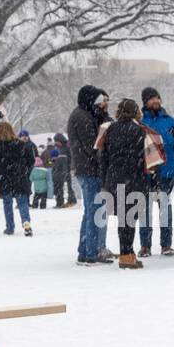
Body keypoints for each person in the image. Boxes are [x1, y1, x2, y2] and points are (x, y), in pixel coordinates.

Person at [98, 98, 149, 269]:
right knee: (130, 219)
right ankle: (127, 255)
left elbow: (103, 157)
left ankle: (127, 253)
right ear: (135, 112)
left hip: (114, 179)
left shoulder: (110, 129)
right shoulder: (139, 131)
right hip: (133, 179)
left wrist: (105, 179)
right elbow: (144, 159)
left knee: (122, 219)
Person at [67, 85, 113, 263]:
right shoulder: (82, 117)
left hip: (89, 169)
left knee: (92, 212)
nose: (103, 105)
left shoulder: (87, 114)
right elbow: (92, 147)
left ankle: (86, 250)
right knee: (94, 212)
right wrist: (107, 159)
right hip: (89, 170)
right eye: (101, 102)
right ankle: (90, 252)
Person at [139, 87, 174, 257]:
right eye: (151, 98)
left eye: (157, 97)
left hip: (167, 172)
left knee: (165, 209)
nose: (155, 101)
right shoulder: (141, 123)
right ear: (145, 102)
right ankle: (145, 245)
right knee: (145, 209)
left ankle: (166, 244)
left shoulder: (170, 121)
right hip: (147, 173)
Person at [0, 121, 35, 236]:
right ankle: (26, 222)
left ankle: (10, 227)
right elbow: (31, 160)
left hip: (4, 178)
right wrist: (25, 170)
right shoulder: (20, 144)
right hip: (19, 177)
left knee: (7, 203)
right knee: (22, 202)